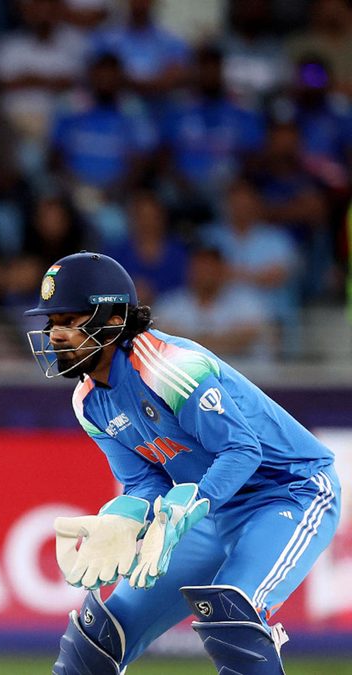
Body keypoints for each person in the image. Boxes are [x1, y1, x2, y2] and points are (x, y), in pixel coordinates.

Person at [25, 252, 340, 674]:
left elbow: (243, 451)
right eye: (52, 324)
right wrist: (124, 517)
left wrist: (187, 508)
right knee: (97, 640)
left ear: (114, 321)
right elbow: (143, 482)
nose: (56, 335)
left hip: (290, 491)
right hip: (208, 510)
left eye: (69, 321)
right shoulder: (87, 402)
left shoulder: (170, 367)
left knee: (234, 623)